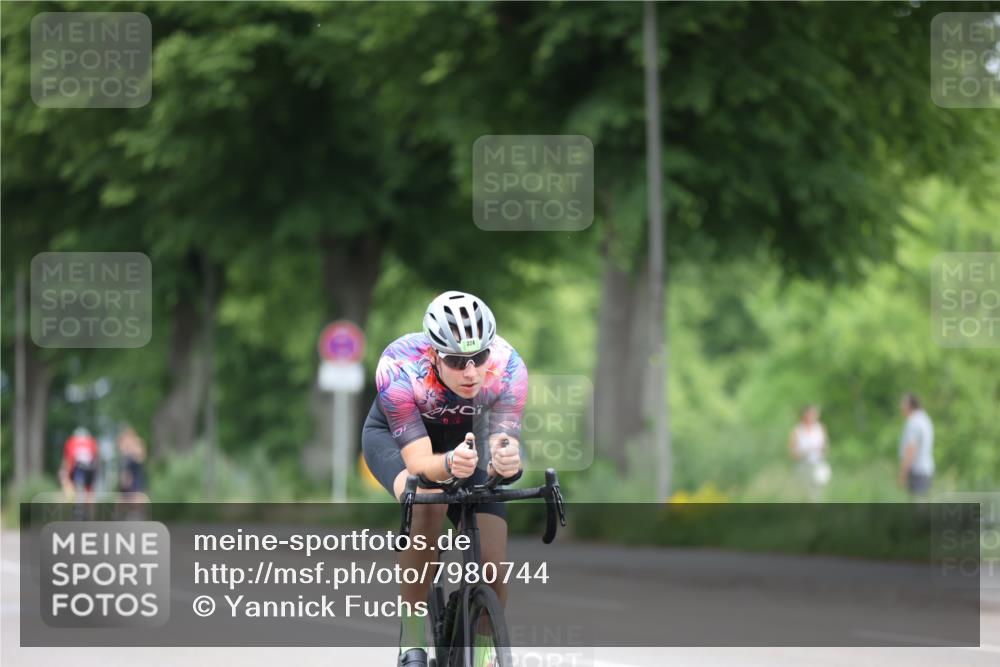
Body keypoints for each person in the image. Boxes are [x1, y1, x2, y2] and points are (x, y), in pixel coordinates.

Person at [362, 291, 526, 667]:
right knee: (426, 502)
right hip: (399, 441)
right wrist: (448, 463)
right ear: (434, 354)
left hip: (468, 443)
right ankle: (412, 635)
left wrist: (505, 458)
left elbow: (502, 439)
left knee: (494, 566)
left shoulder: (509, 366)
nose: (471, 372)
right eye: (456, 361)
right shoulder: (399, 365)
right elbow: (420, 463)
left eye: (478, 358)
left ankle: (482, 654)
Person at [788, 405, 831, 499]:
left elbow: (826, 446)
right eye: (810, 414)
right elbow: (792, 452)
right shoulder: (797, 430)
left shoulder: (821, 428)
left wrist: (822, 449)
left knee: (819, 487)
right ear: (804, 415)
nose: (812, 417)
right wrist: (806, 452)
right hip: (803, 464)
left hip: (818, 462)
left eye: (814, 415)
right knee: (806, 490)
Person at [898, 393, 934, 498]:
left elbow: (911, 449)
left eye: (903, 405)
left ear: (909, 406)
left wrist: (903, 473)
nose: (901, 408)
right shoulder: (924, 419)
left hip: (917, 471)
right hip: (926, 470)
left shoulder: (914, 421)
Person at [59, 427, 99, 504]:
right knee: (89, 492)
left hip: (76, 468)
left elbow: (66, 459)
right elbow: (96, 458)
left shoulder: (71, 441)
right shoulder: (92, 442)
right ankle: (88, 511)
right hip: (90, 469)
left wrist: (64, 472)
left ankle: (71, 505)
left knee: (68, 485)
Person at [117, 425, 148, 503]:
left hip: (136, 469)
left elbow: (141, 457)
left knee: (137, 493)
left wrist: (133, 453)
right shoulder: (124, 443)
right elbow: (122, 453)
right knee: (124, 494)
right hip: (127, 468)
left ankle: (139, 511)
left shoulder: (138, 442)